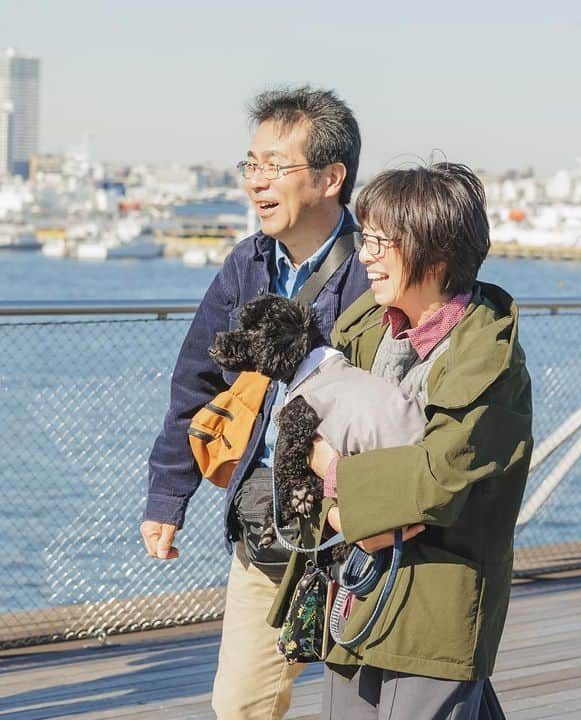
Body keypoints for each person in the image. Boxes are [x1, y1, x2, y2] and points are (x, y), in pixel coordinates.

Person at [269, 162, 532, 719]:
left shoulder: (486, 354)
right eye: (366, 238)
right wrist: (345, 493)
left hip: (437, 603)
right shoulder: (365, 325)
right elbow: (313, 423)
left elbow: (436, 480)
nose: (365, 254)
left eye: (382, 242)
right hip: (357, 589)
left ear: (435, 254)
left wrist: (332, 473)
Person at [141, 85, 367, 720]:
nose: (257, 182)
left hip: (362, 522)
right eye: (252, 165)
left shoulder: (376, 266)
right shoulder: (249, 263)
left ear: (331, 177)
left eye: (276, 166)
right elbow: (195, 380)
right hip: (270, 518)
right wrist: (167, 497)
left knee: (373, 703)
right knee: (240, 703)